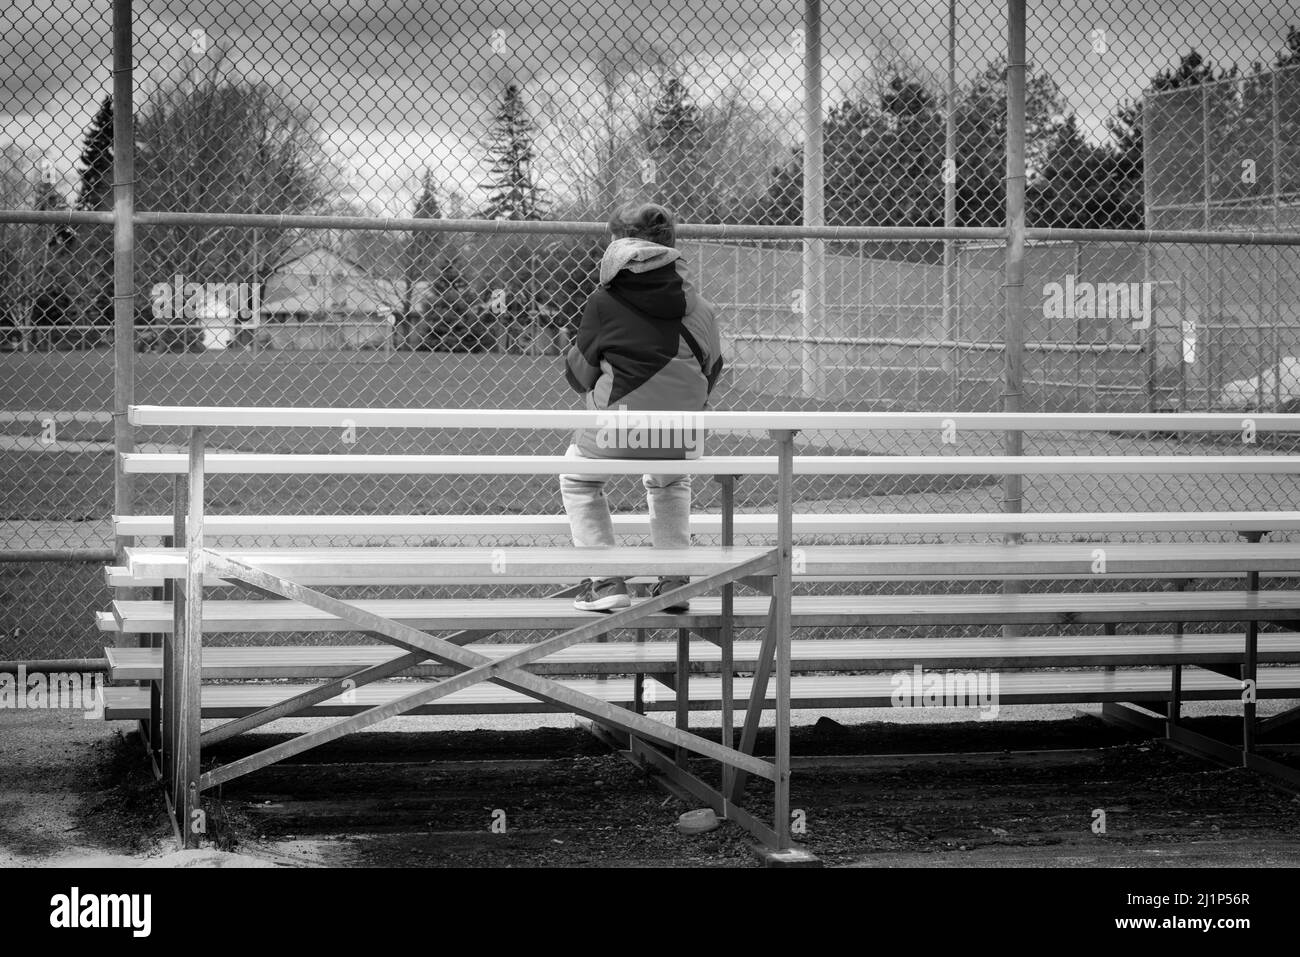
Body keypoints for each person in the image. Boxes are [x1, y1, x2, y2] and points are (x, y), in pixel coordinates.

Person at [560, 202, 724, 612]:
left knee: (578, 478)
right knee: (670, 481)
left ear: (621, 247)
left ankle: (605, 583)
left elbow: (579, 374)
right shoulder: (700, 307)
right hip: (681, 434)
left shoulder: (603, 301)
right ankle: (672, 583)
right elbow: (712, 369)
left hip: (618, 430)